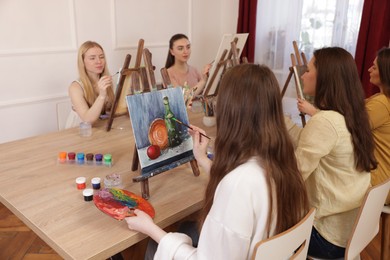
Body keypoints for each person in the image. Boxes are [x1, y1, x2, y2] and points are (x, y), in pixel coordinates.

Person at [125, 63, 309, 259]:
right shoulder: (280, 159)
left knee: (154, 246)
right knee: (186, 227)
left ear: (231, 112)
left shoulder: (238, 185)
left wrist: (151, 229)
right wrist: (202, 158)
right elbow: (244, 183)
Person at [287, 47, 377, 258]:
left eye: (307, 70)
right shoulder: (352, 115)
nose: (302, 75)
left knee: (261, 227)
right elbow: (309, 141)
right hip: (351, 229)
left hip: (326, 236)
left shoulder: (325, 122)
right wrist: (279, 122)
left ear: (324, 79)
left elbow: (292, 177)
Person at [65, 41, 115, 129]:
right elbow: (87, 120)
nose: (99, 61)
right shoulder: (75, 87)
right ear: (82, 62)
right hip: (79, 132)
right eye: (92, 58)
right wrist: (102, 95)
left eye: (101, 57)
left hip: (99, 128)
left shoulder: (106, 81)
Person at [366, 47, 390, 205]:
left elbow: (348, 126)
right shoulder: (381, 99)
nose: (369, 69)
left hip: (379, 182)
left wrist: (314, 111)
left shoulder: (381, 103)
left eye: (374, 67)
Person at [165, 34, 211, 103]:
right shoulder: (167, 74)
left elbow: (204, 92)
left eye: (188, 47)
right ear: (172, 51)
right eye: (180, 48)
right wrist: (203, 81)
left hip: (198, 112)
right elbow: (184, 97)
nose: (185, 51)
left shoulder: (194, 70)